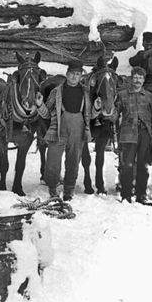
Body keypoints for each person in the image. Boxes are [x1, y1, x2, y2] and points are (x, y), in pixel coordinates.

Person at [36, 59, 99, 201]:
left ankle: (69, 190)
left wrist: (96, 107)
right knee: (52, 162)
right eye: (72, 73)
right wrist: (40, 105)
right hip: (58, 130)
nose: (74, 77)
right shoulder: (56, 91)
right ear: (67, 74)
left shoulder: (86, 92)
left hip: (78, 130)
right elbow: (47, 114)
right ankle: (53, 189)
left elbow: (90, 115)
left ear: (81, 76)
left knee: (73, 162)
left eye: (78, 74)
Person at [116, 65, 152, 205]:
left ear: (143, 79)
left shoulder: (149, 96)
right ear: (131, 78)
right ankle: (126, 195)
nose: (137, 80)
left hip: (144, 134)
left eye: (140, 78)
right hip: (128, 134)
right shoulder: (122, 95)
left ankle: (141, 195)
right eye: (135, 77)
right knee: (127, 165)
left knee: (143, 165)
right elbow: (115, 115)